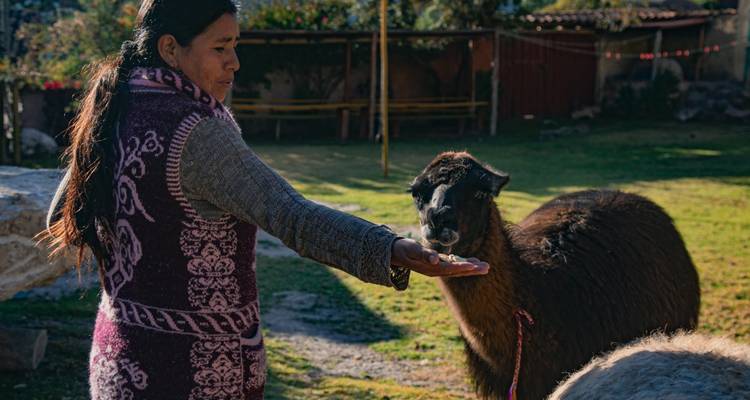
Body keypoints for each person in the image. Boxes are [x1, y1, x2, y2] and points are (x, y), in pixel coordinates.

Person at [44, 1, 489, 399]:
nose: (235, 62)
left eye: (236, 46)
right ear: (170, 49)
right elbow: (290, 215)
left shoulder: (118, 103)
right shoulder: (196, 132)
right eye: (221, 48)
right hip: (190, 373)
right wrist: (391, 249)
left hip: (119, 360)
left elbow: (60, 208)